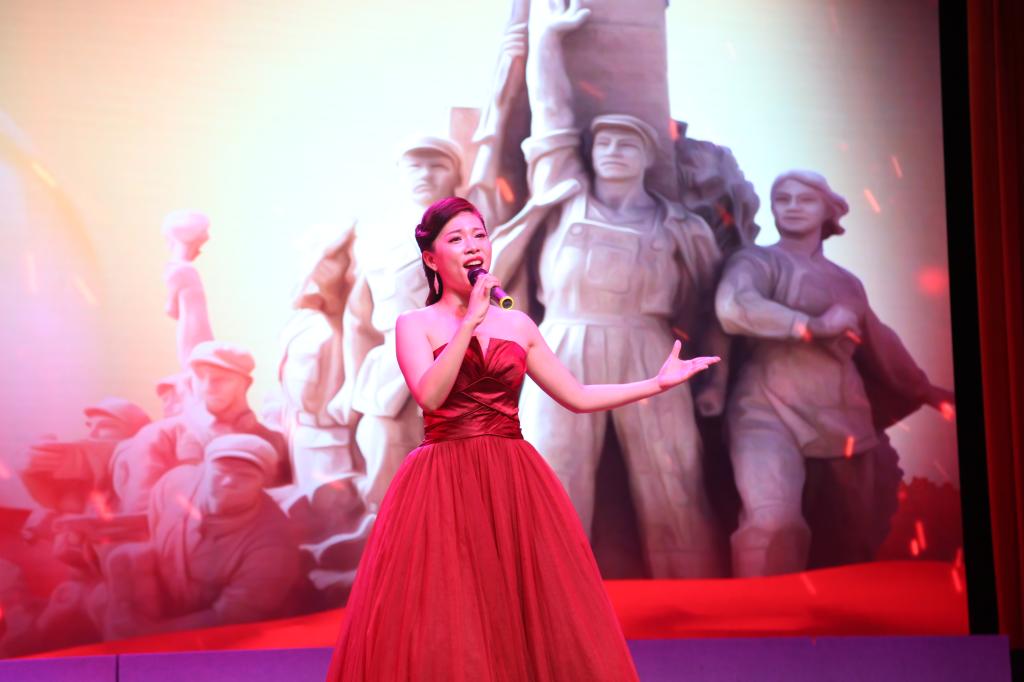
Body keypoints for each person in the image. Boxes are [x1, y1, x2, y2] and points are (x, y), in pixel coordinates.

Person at [326, 197, 719, 681]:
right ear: (431, 258)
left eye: (479, 235)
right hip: (443, 481)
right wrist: (469, 323)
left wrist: (655, 384)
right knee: (452, 607)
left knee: (520, 604)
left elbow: (577, 395)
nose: (473, 247)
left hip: (512, 478)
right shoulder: (414, 324)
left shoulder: (518, 323)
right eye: (456, 239)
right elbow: (430, 394)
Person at [488, 2, 728, 577]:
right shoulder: (564, 196)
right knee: (553, 473)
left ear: (648, 156)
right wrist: (548, 43)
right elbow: (552, 115)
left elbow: (712, 306)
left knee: (672, 474)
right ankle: (546, 594)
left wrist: (714, 377)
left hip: (649, 346)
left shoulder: (681, 227)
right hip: (562, 342)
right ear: (589, 155)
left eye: (627, 144)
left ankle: (696, 597)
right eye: (604, 144)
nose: (613, 152)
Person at [715, 170, 955, 576]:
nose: (792, 207)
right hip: (765, 410)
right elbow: (734, 306)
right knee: (772, 523)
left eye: (804, 199)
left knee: (849, 538)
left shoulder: (847, 284)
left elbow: (879, 343)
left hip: (841, 419)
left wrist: (926, 391)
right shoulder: (756, 261)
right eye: (783, 199)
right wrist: (811, 326)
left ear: (828, 211)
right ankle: (761, 611)